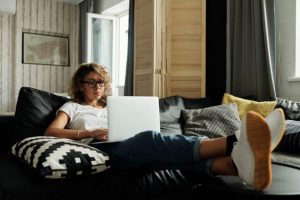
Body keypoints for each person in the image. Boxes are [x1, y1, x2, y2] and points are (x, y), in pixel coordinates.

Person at [44, 63, 285, 191]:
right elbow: (51, 133)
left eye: (101, 82)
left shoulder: (113, 106)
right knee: (150, 139)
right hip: (100, 150)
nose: (98, 86)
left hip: (126, 146)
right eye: (91, 82)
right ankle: (235, 142)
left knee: (170, 158)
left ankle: (239, 168)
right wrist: (89, 132)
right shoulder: (72, 107)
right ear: (80, 84)